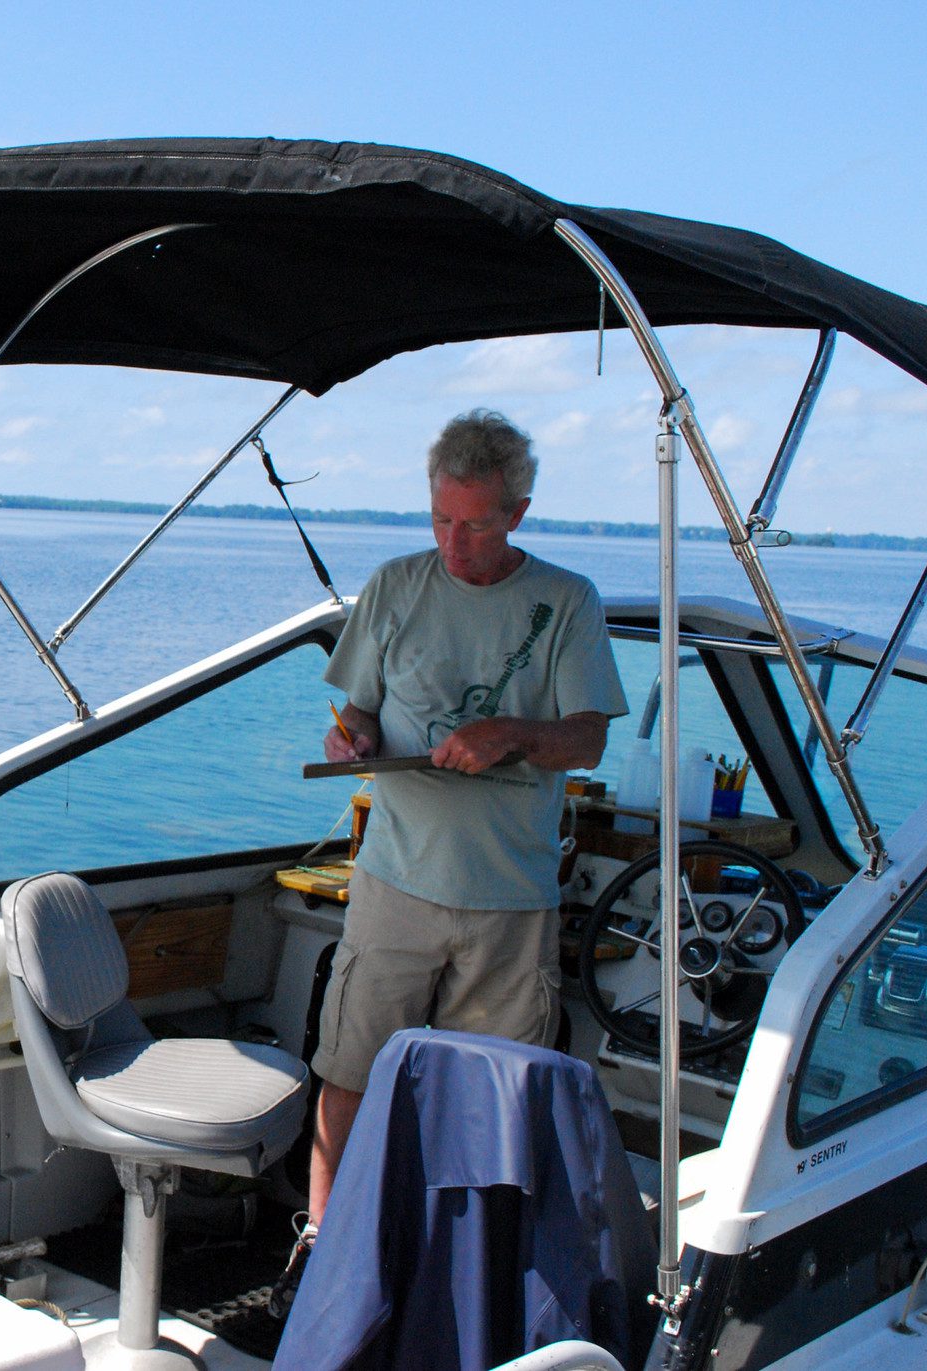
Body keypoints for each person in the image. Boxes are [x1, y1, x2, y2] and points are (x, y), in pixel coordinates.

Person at [272, 409, 628, 1313]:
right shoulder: (395, 586)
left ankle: (471, 1277)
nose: (454, 544)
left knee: (496, 1096)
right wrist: (350, 738)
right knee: (350, 1065)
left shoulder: (569, 601)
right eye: (440, 520)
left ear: (518, 512)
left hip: (512, 900)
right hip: (395, 882)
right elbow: (351, 715)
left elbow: (586, 739)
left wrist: (513, 734)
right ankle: (322, 1252)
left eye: (473, 524)